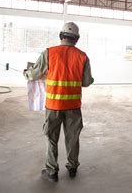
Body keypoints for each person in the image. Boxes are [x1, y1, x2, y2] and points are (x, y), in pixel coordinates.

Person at [24, 22, 94, 182]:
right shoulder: (83, 56)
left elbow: (34, 74)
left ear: (61, 35)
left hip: (54, 105)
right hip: (74, 107)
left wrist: (26, 73)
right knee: (73, 138)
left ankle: (52, 171)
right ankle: (72, 167)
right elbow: (86, 82)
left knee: (51, 138)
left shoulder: (49, 53)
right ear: (76, 38)